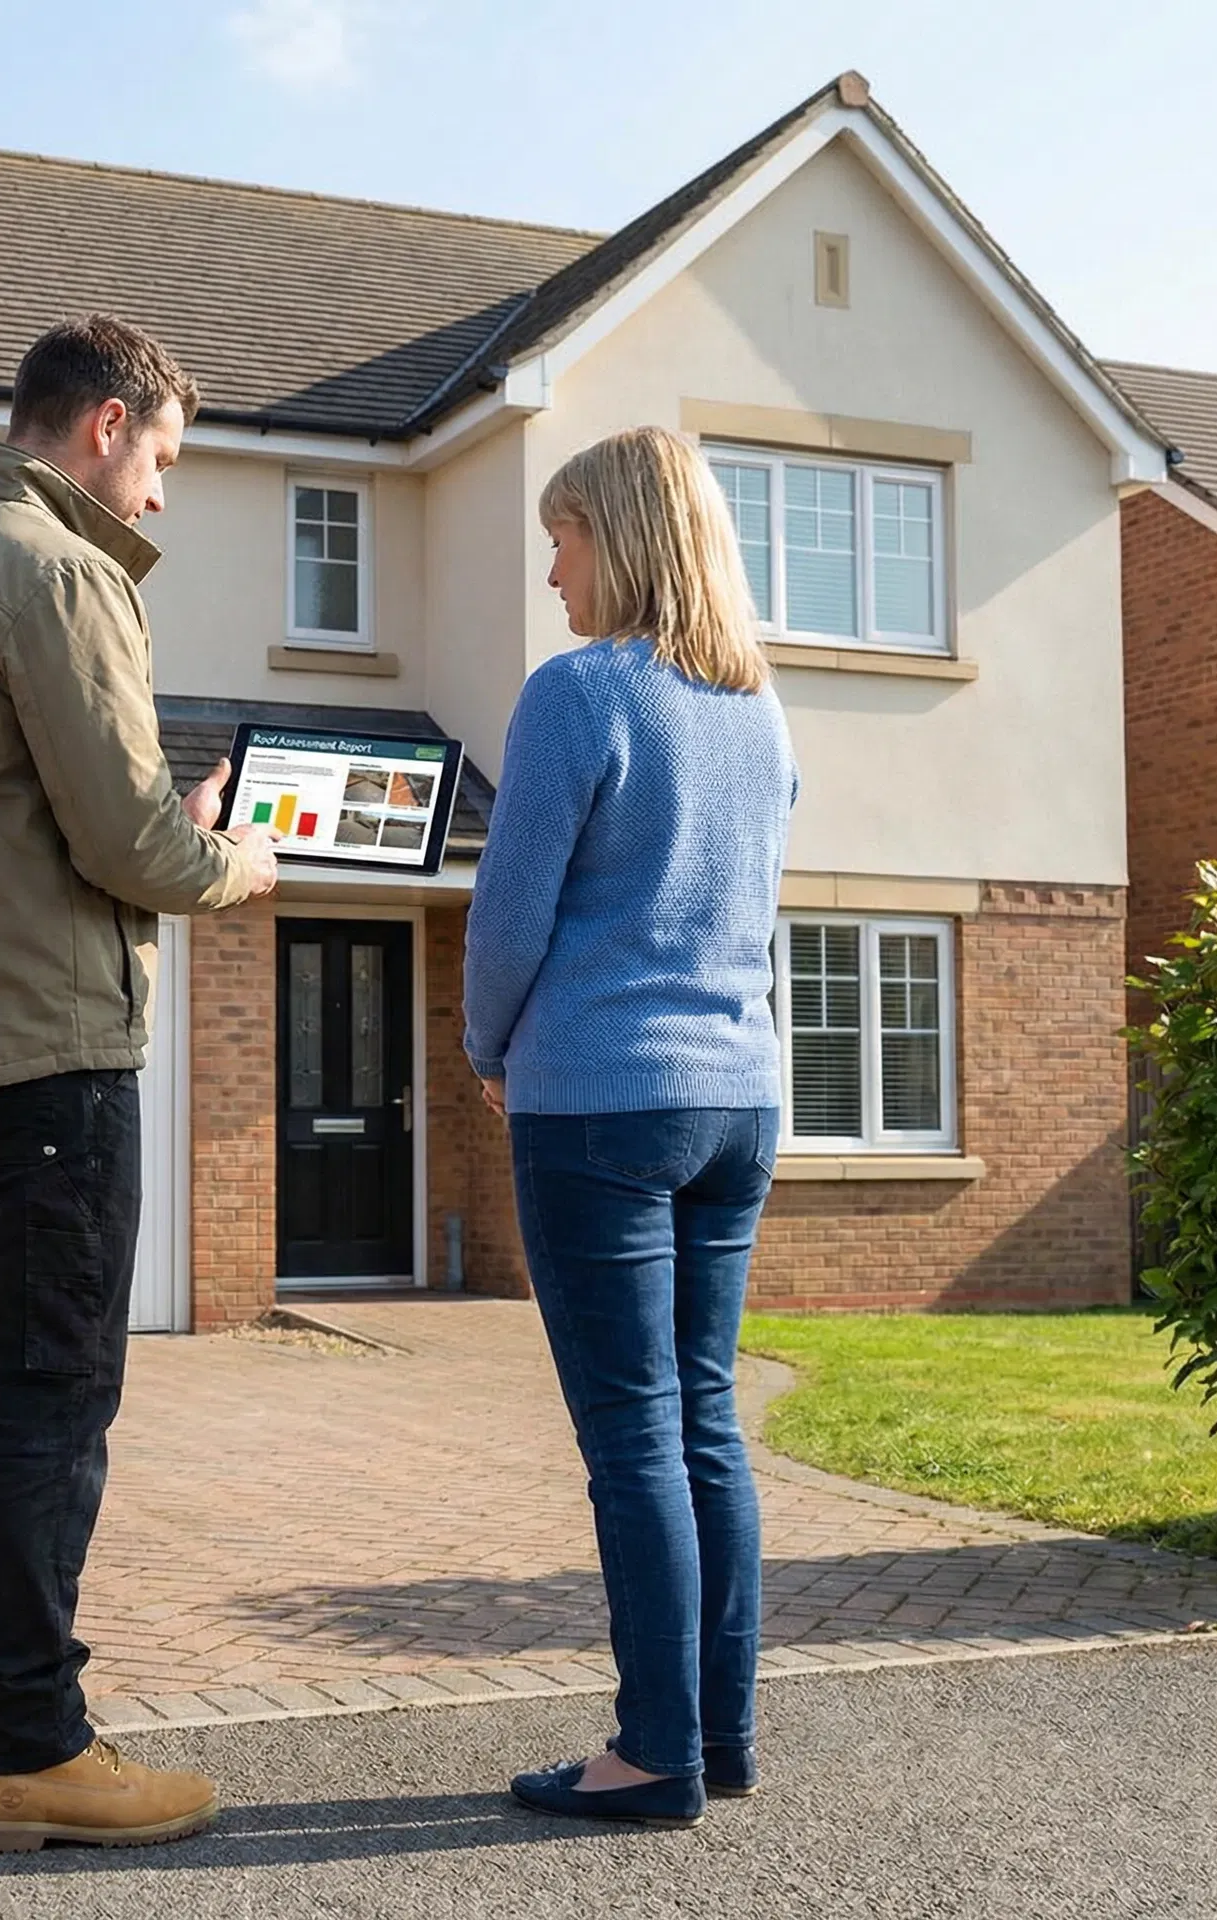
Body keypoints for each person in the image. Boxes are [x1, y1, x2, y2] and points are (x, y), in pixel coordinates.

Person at [0, 315, 279, 1853]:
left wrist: (167, 813)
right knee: (48, 1399)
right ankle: (30, 1747)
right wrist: (240, 855)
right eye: (160, 460)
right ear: (102, 426)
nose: (157, 498)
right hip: (40, 1060)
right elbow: (129, 849)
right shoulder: (61, 571)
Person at [463, 425, 796, 1830]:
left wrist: (487, 1050)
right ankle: (716, 1735)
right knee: (705, 1422)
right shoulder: (759, 710)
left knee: (636, 1439)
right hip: (739, 1097)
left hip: (601, 1101)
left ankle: (651, 1752)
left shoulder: (580, 695)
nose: (550, 571)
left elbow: (509, 915)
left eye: (566, 538)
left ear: (627, 539)